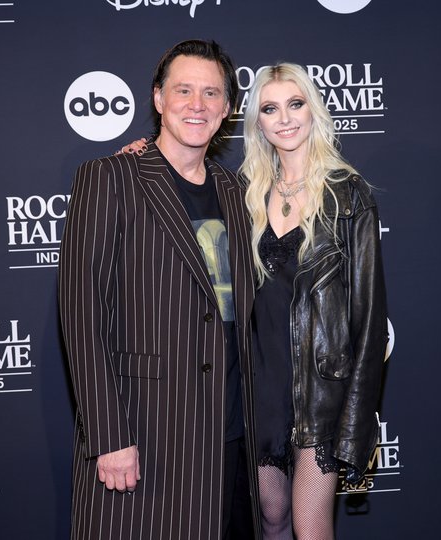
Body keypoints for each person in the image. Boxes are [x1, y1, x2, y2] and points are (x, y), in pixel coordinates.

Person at [58, 39, 260, 540]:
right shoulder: (110, 178)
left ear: (227, 108)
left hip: (232, 434)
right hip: (146, 434)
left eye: (211, 93)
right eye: (183, 90)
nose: (197, 105)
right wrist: (108, 436)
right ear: (157, 98)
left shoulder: (236, 191)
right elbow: (83, 317)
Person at [240, 63, 388, 540]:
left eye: (295, 103)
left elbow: (369, 319)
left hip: (322, 394)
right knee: (272, 519)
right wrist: (138, 155)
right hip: (257, 389)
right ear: (257, 122)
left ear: (313, 111)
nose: (284, 118)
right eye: (270, 107)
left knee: (310, 528)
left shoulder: (349, 196)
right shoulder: (240, 196)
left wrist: (354, 421)